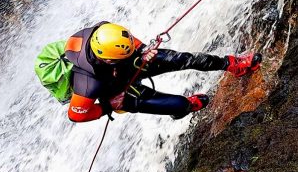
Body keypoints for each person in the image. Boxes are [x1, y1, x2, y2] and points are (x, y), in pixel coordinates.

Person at [64, 21, 262, 122]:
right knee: (179, 105)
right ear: (107, 59)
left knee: (183, 59)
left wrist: (142, 50)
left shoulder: (106, 31)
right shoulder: (88, 83)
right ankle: (184, 108)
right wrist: (107, 107)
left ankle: (231, 64)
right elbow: (76, 115)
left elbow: (129, 41)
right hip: (117, 92)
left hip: (131, 63)